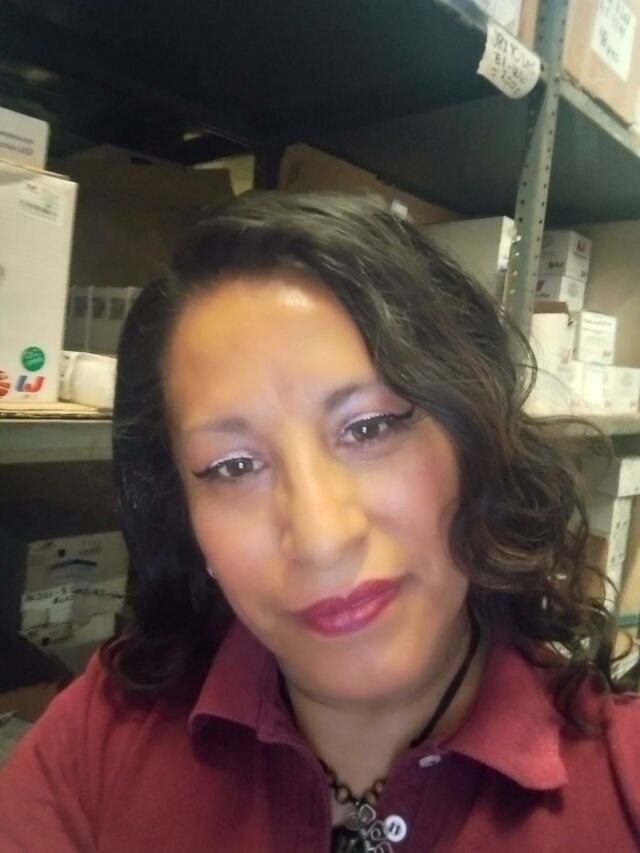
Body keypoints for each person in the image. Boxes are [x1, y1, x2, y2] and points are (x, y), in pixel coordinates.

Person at [0, 192, 638, 853]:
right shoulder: (100, 742)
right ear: (186, 520)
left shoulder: (622, 784)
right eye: (233, 466)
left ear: (475, 441)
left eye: (370, 427)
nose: (321, 537)